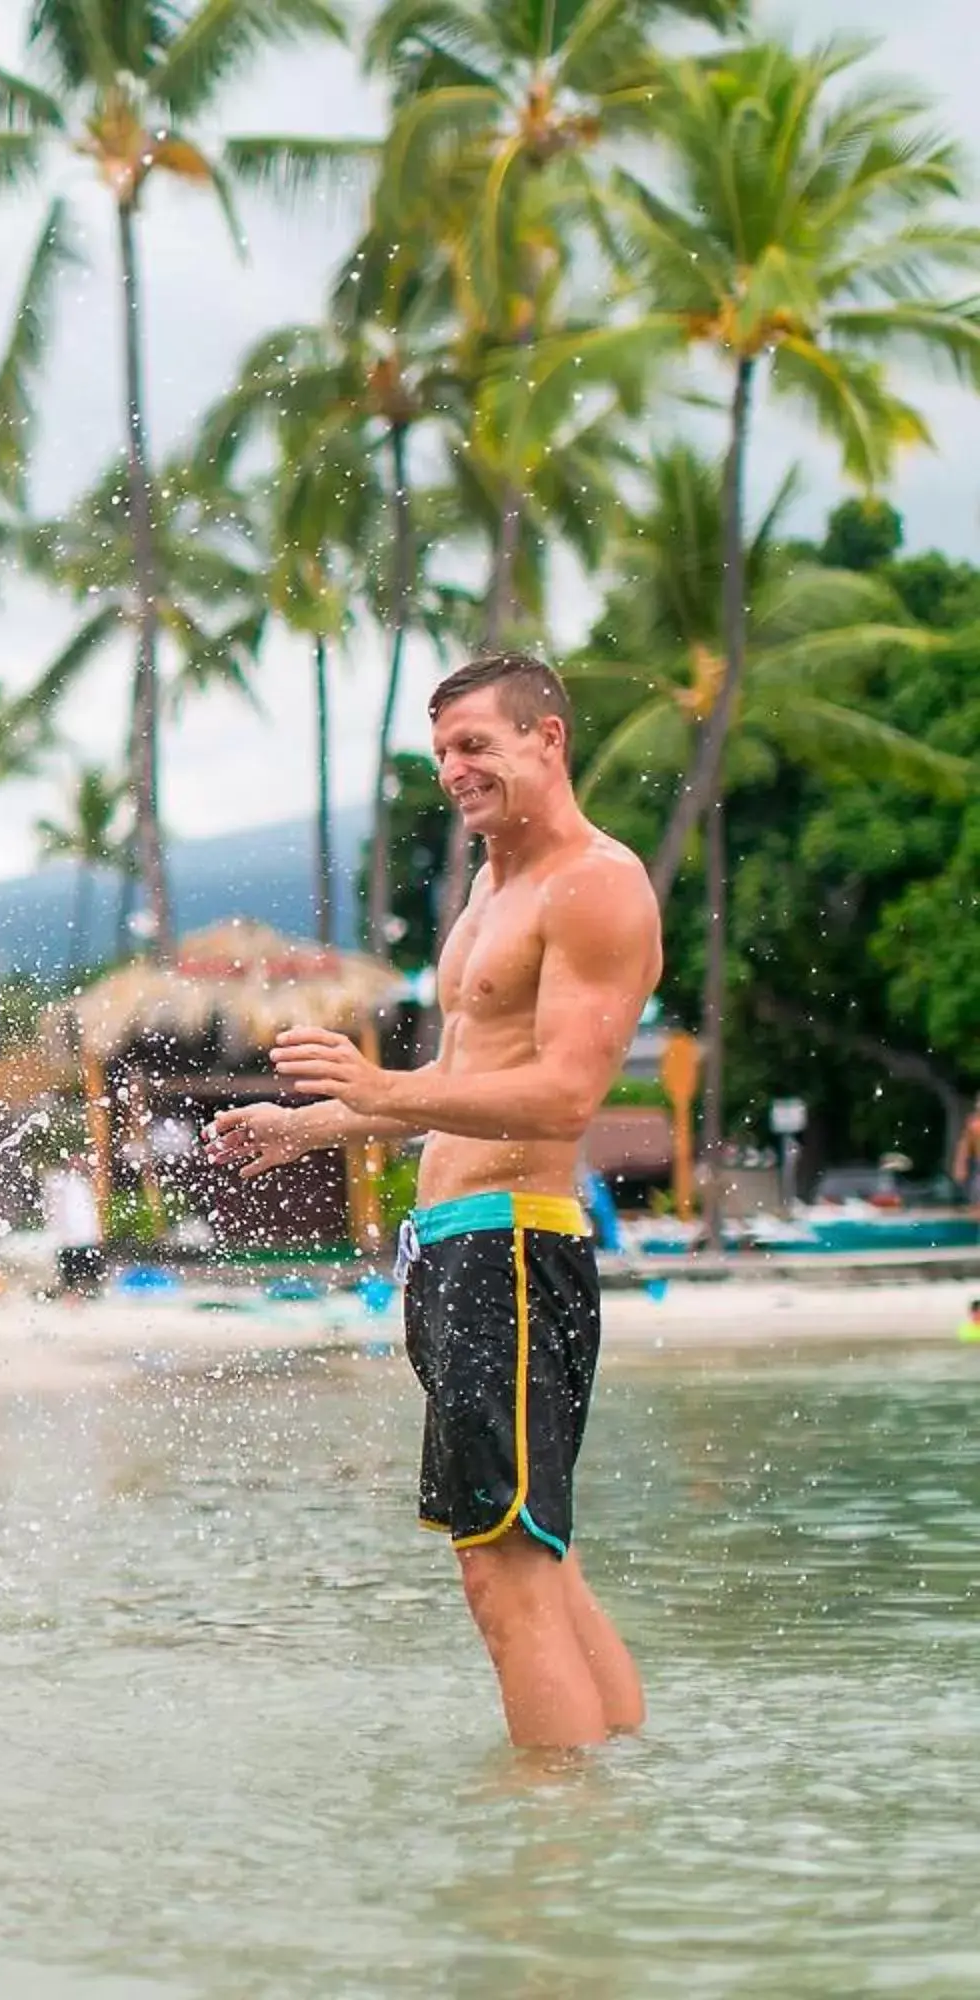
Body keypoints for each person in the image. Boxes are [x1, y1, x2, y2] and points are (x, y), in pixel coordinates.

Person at [206, 652, 660, 1751]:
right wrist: (317, 1123)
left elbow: (563, 1097)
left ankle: (541, 1864)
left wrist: (382, 1087)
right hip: (463, 1250)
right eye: (444, 750)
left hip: (512, 1248)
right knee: (538, 1551)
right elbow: (467, 1089)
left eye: (478, 744)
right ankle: (618, 1813)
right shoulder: (490, 896)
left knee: (500, 1568)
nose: (456, 769)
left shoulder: (593, 883)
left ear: (547, 738)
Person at [41, 1156, 104, 1299]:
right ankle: (72, 1291)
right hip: (69, 1235)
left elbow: (91, 1210)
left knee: (89, 1266)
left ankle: (86, 1290)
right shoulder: (63, 1183)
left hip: (84, 1233)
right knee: (70, 1266)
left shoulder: (85, 1184)